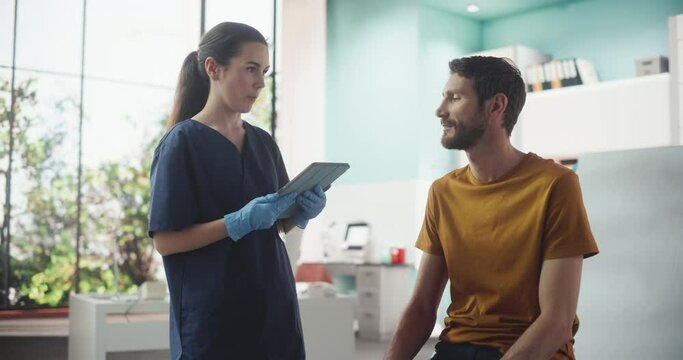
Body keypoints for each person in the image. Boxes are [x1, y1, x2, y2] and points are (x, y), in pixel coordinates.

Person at [384, 56, 599, 360]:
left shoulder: (556, 185)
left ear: (496, 106)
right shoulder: (443, 192)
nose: (440, 110)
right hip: (455, 350)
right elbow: (421, 307)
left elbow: (557, 322)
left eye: (455, 97)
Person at [148, 22, 326, 359]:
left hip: (274, 307)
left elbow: (275, 223)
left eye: (265, 71)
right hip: (214, 318)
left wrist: (300, 213)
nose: (260, 82)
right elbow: (165, 241)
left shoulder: (263, 143)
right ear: (213, 68)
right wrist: (236, 222)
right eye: (250, 69)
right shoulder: (181, 144)